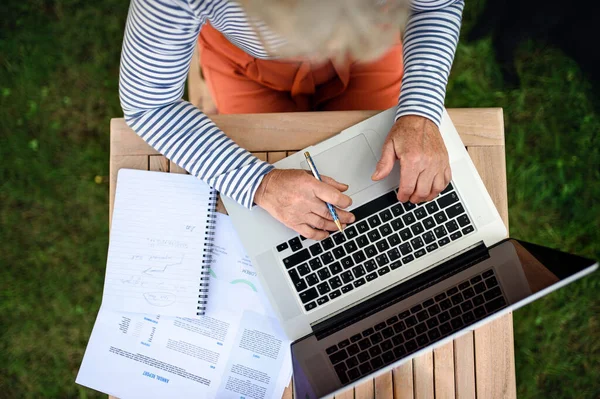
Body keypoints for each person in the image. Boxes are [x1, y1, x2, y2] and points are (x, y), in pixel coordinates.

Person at [119, 0, 464, 240]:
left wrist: (420, 109)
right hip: (247, 66)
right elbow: (148, 104)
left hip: (363, 49)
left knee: (382, 177)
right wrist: (258, 183)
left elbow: (437, 6)